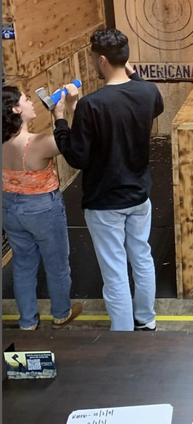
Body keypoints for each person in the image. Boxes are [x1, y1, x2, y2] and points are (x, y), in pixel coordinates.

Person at [53, 29, 164, 332]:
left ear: (101, 60)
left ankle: (124, 334)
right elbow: (154, 103)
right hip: (139, 195)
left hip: (104, 202)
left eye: (92, 58)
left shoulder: (92, 104)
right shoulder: (148, 92)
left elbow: (77, 156)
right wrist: (134, 74)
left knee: (114, 271)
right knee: (142, 257)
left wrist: (61, 120)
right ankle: (146, 319)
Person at [2, 86, 82, 330]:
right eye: (25, 99)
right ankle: (61, 313)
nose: (30, 102)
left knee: (23, 264)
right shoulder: (39, 143)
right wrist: (62, 112)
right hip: (42, 209)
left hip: (9, 207)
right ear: (16, 109)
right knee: (56, 262)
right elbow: (76, 145)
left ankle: (27, 321)